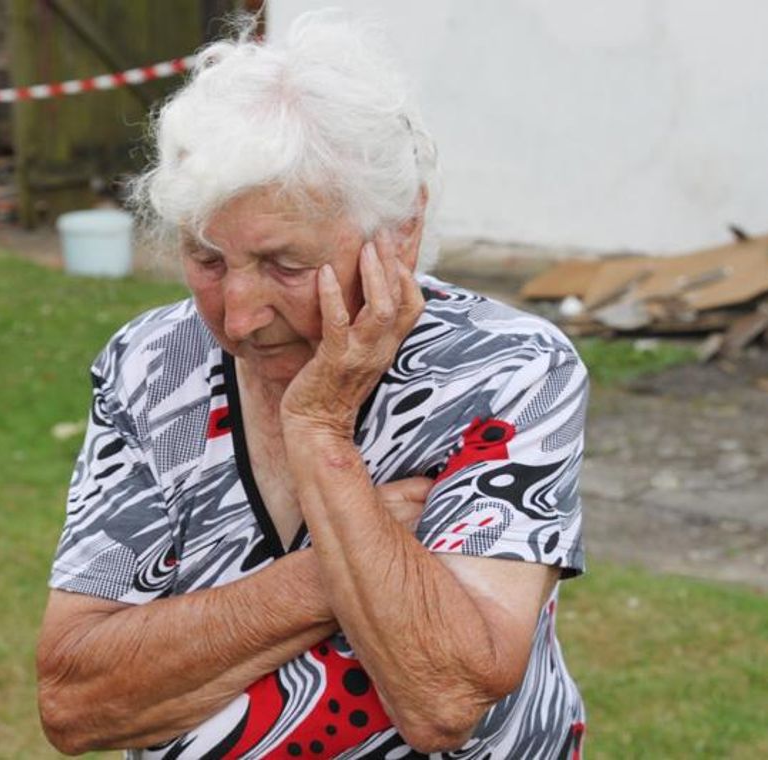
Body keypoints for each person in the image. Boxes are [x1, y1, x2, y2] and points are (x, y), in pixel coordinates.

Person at [37, 10, 588, 759]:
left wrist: (319, 431)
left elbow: (446, 699)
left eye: (284, 266)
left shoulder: (504, 372)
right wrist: (337, 567)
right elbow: (74, 702)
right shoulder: (151, 367)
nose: (238, 315)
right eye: (206, 259)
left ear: (401, 231)